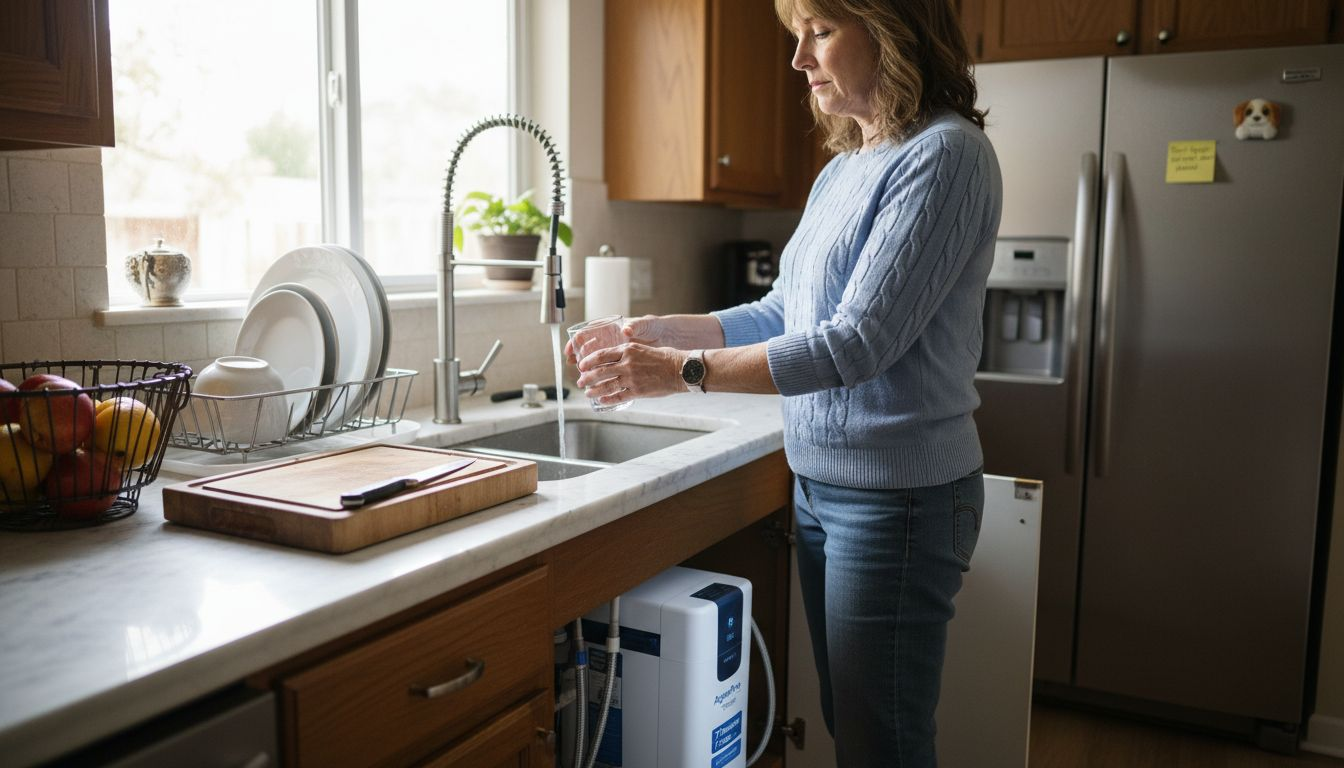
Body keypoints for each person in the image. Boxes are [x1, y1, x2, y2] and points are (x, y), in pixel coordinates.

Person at [570, 0, 1000, 764]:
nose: (799, 59)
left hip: (899, 500)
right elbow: (784, 310)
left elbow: (855, 344)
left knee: (882, 740)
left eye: (820, 32)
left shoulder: (946, 154)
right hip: (821, 487)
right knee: (851, 718)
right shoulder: (844, 169)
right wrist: (660, 331)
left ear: (892, 30)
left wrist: (680, 374)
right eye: (796, 35)